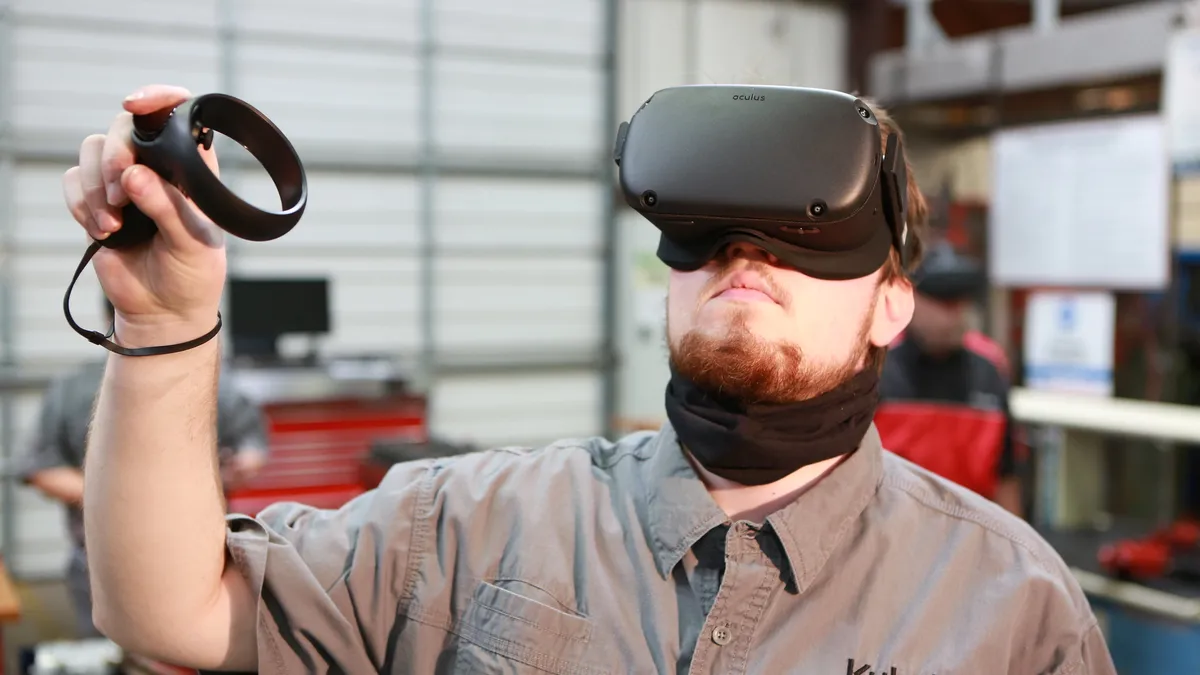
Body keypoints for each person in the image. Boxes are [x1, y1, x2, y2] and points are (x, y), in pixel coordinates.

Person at [64, 84, 1115, 673]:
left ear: (890, 301)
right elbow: (165, 612)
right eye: (706, 238)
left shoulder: (1010, 608)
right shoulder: (467, 527)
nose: (744, 261)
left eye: (801, 241)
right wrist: (166, 322)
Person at [15, 297, 270, 638]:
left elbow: (251, 452)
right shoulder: (74, 388)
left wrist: (228, 471)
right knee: (109, 652)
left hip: (202, 556)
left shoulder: (217, 385)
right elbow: (41, 469)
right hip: (101, 562)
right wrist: (133, 501)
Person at [874, 242, 1025, 516]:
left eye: (961, 301)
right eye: (943, 301)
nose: (955, 313)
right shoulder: (877, 364)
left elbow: (1007, 475)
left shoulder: (990, 369)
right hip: (892, 531)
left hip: (972, 534)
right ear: (909, 297)